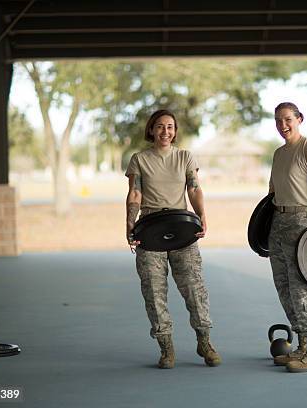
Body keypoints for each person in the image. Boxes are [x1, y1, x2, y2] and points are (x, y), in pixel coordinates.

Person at [125, 109, 221, 369]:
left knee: (194, 289)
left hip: (182, 228)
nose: (165, 131)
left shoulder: (185, 156)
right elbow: (135, 193)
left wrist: (202, 215)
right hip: (150, 229)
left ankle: (205, 342)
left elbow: (194, 187)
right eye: (159, 127)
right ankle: (166, 348)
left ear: (175, 131)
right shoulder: (139, 159)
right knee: (154, 292)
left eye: (169, 127)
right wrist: (130, 223)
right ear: (151, 130)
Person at [268, 102, 307, 373]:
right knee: (284, 287)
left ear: (299, 119)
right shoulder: (279, 153)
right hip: (278, 223)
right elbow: (271, 194)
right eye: (278, 120)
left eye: (288, 119)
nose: (283, 125)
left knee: (303, 288)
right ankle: (303, 346)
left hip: (303, 222)